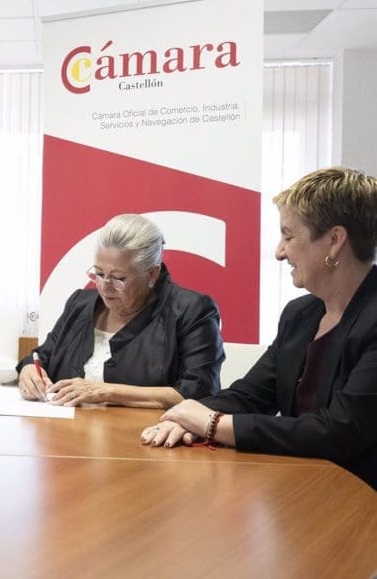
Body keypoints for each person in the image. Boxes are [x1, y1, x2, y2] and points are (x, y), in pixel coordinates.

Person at [145, 167, 377, 491]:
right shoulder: (299, 314)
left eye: (289, 236)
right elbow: (250, 395)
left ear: (334, 240)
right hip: (299, 491)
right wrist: (188, 417)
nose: (280, 252)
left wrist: (212, 424)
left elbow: (339, 431)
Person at [18, 213, 224, 408]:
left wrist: (108, 392)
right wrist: (29, 370)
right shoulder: (80, 303)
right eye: (99, 273)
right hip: (66, 429)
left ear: (152, 274)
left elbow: (198, 392)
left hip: (144, 431)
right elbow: (42, 356)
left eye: (118, 278)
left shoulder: (192, 311)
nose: (104, 286)